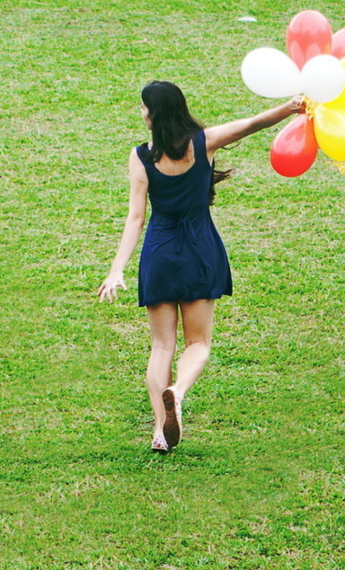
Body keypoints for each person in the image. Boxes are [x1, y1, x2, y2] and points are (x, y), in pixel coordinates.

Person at [97, 81, 305, 453]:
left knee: (162, 345)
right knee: (199, 343)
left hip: (160, 254)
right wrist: (289, 108)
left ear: (154, 113)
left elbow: (135, 218)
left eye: (144, 107)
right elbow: (252, 123)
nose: (142, 113)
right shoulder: (203, 142)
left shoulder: (141, 157)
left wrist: (117, 270)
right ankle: (176, 391)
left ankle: (161, 434)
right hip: (200, 250)